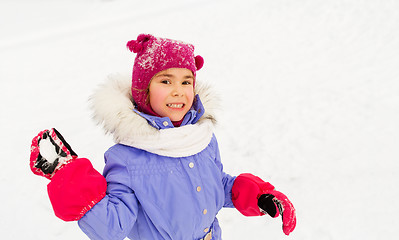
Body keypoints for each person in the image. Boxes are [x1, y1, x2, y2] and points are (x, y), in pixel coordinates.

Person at [29, 34, 296, 240]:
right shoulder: (128, 157)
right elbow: (112, 226)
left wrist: (258, 196)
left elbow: (215, 184)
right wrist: (69, 177)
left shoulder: (200, 138)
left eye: (186, 81)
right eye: (165, 81)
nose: (178, 91)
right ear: (143, 91)